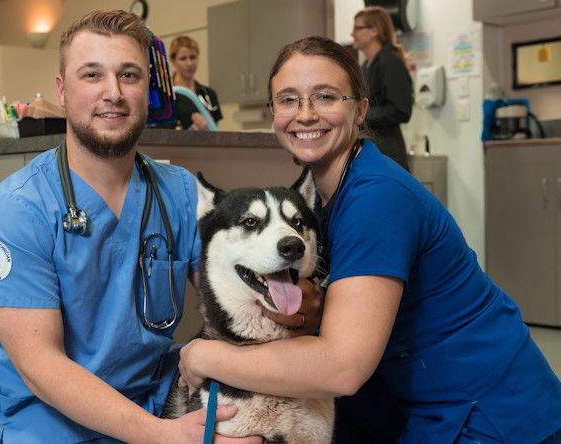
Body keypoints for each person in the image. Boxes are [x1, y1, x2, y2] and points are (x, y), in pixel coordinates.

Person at [177, 35, 561, 443]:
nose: (305, 114)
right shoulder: (322, 203)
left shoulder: (377, 198)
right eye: (288, 100)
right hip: (412, 397)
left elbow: (341, 368)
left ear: (360, 109)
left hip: (488, 410)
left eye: (325, 96)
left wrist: (205, 354)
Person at [0, 9, 318, 444]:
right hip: (53, 424)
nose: (113, 93)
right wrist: (161, 435)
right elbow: (41, 368)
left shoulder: (181, 193)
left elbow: (240, 296)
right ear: (63, 91)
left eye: (129, 75)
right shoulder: (15, 210)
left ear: (148, 89)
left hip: (156, 398)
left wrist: (301, 306)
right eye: (92, 75)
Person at [351, 6, 413, 171]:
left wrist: (360, 115)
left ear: (374, 31)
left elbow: (401, 110)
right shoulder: (365, 66)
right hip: (372, 150)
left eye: (357, 28)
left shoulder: (390, 62)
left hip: (388, 153)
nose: (352, 34)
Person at [169, 36, 222, 130]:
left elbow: (216, 131)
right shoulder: (167, 94)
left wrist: (208, 126)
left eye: (193, 57)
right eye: (183, 58)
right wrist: (194, 128)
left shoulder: (209, 94)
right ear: (173, 60)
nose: (189, 63)